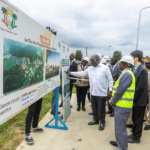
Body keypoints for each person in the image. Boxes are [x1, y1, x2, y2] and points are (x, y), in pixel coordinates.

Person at [65, 54, 113, 130]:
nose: (91, 63)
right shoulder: (90, 68)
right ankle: (95, 120)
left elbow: (110, 79)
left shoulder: (105, 68)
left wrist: (110, 90)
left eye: (92, 61)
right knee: (94, 108)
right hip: (93, 92)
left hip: (101, 93)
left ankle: (102, 122)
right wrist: (71, 73)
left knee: (101, 109)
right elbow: (82, 73)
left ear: (97, 60)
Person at [109, 55, 135, 150]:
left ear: (124, 64)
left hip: (122, 106)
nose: (119, 64)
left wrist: (113, 100)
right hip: (121, 105)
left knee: (120, 128)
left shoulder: (127, 74)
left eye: (120, 63)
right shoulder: (126, 73)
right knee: (119, 127)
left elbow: (120, 90)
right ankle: (120, 142)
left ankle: (123, 147)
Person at [128, 50, 149, 143]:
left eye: (131, 57)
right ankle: (134, 134)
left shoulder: (143, 70)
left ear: (136, 58)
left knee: (138, 119)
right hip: (135, 98)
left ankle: (137, 138)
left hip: (140, 99)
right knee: (134, 118)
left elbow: (140, 87)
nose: (130, 59)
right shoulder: (134, 69)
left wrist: (132, 97)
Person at [144, 60, 150, 130]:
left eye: (147, 63)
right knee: (145, 107)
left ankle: (148, 123)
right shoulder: (145, 71)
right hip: (145, 92)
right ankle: (145, 119)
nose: (146, 64)